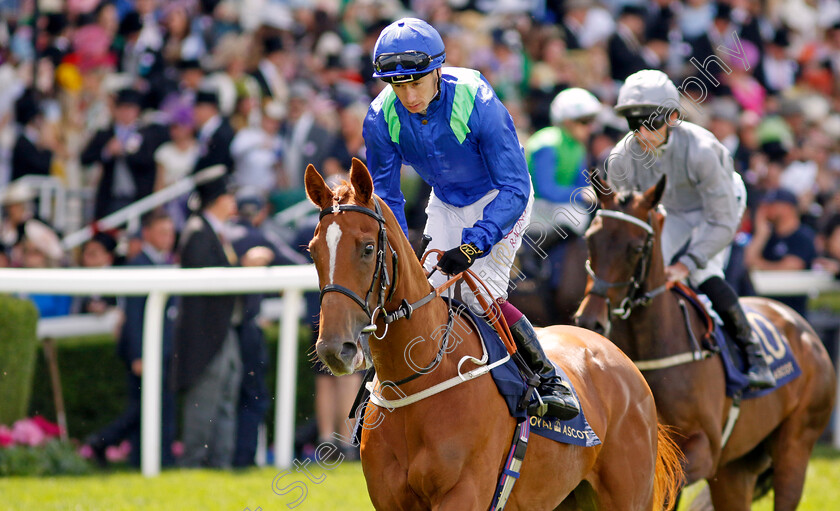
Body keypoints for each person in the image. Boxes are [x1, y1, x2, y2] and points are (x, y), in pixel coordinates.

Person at [363, 18, 579, 421]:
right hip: (445, 202)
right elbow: (386, 195)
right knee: (423, 297)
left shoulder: (477, 100)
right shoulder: (379, 117)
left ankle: (549, 380)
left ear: (438, 71)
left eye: (416, 82)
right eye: (397, 85)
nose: (407, 95)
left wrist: (473, 244)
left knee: (479, 299)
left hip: (501, 198)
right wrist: (400, 250)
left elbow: (514, 186)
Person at [605, 69, 775, 389]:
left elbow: (722, 220)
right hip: (673, 211)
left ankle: (754, 356)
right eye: (633, 122)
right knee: (642, 272)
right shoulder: (621, 159)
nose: (642, 132)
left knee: (702, 272)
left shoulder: (702, 149)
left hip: (719, 207)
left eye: (651, 121)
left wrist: (686, 263)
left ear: (671, 116)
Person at [172, 167, 273, 468]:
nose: (233, 200)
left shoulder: (211, 230)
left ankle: (220, 463)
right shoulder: (197, 232)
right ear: (217, 198)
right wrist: (244, 268)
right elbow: (211, 285)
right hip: (206, 334)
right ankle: (194, 462)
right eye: (229, 194)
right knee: (206, 400)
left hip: (224, 331)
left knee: (226, 397)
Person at [85, 210, 178, 468]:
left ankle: (145, 459)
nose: (168, 238)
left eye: (170, 233)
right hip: (144, 352)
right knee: (142, 410)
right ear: (146, 234)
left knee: (154, 408)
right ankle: (101, 442)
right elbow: (133, 315)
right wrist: (139, 355)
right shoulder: (138, 265)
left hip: (159, 350)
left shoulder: (162, 263)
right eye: (162, 233)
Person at [525, 87, 602, 238]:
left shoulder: (577, 146)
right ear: (567, 122)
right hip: (531, 207)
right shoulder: (547, 143)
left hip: (554, 206)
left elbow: (580, 184)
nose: (590, 128)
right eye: (584, 121)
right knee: (575, 218)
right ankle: (533, 258)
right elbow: (546, 190)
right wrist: (581, 194)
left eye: (592, 121)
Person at [80, 88, 164, 219]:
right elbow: (84, 158)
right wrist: (107, 151)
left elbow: (148, 161)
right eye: (122, 108)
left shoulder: (147, 133)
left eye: (130, 108)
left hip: (138, 196)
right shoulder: (105, 134)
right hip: (110, 197)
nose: (126, 113)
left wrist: (126, 151)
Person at [744, 188, 817, 317]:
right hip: (764, 308)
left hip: (793, 311)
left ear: (787, 208)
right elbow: (747, 262)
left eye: (772, 205)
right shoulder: (767, 236)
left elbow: (792, 266)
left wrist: (760, 265)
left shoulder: (803, 236)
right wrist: (761, 234)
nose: (765, 209)